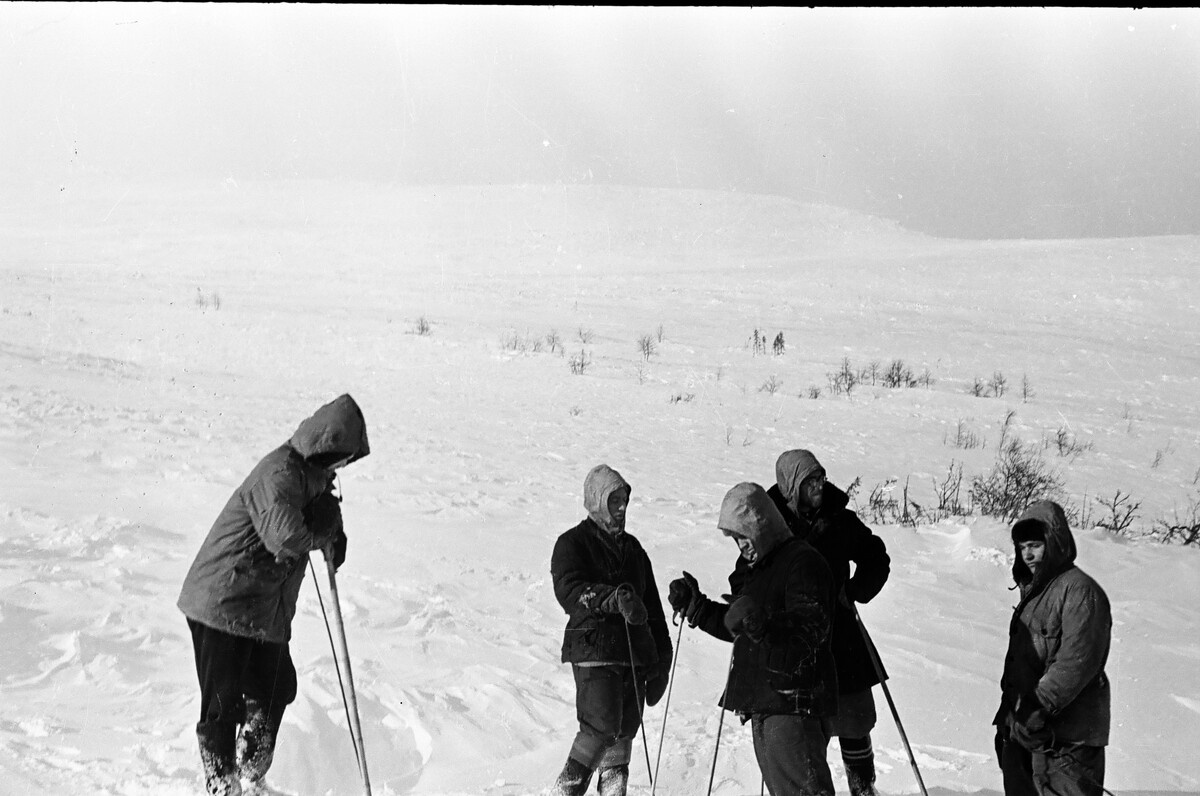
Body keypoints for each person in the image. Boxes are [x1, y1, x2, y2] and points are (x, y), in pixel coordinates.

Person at [177, 394, 370, 796]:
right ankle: (223, 785)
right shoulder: (278, 473)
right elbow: (283, 536)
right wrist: (318, 530)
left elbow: (314, 526)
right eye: (343, 456)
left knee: (276, 688)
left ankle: (251, 775)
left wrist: (334, 534)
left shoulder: (314, 480)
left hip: (260, 610)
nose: (343, 466)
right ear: (326, 446)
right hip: (221, 600)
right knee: (222, 702)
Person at [668, 482, 838, 796]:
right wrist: (698, 607)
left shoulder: (803, 561)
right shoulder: (758, 568)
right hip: (769, 701)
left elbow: (811, 626)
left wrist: (765, 624)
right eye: (735, 539)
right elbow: (743, 626)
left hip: (793, 701)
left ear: (763, 523)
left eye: (744, 534)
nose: (742, 545)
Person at [767, 449, 891, 796]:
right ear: (792, 486)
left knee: (854, 717)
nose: (820, 485)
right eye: (810, 481)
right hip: (794, 638)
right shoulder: (770, 524)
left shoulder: (839, 520)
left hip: (840, 634)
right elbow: (744, 574)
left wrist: (853, 591)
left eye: (821, 477)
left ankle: (863, 786)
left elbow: (876, 558)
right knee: (803, 723)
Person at [549, 464, 673, 796]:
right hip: (594, 649)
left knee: (623, 732)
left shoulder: (635, 550)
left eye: (624, 501)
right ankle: (566, 791)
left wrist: (662, 658)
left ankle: (613, 792)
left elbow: (654, 610)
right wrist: (613, 600)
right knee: (601, 727)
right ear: (596, 501)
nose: (620, 508)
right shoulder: (571, 543)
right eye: (613, 501)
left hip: (633, 655)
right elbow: (570, 591)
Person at [993, 500, 1112, 796]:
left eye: (1035, 545)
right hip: (1025, 730)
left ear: (1055, 542)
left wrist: (1037, 705)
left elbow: (1076, 661)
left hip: (1067, 739)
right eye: (1022, 548)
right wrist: (1010, 716)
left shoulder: (1080, 591)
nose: (1028, 554)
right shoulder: (1034, 593)